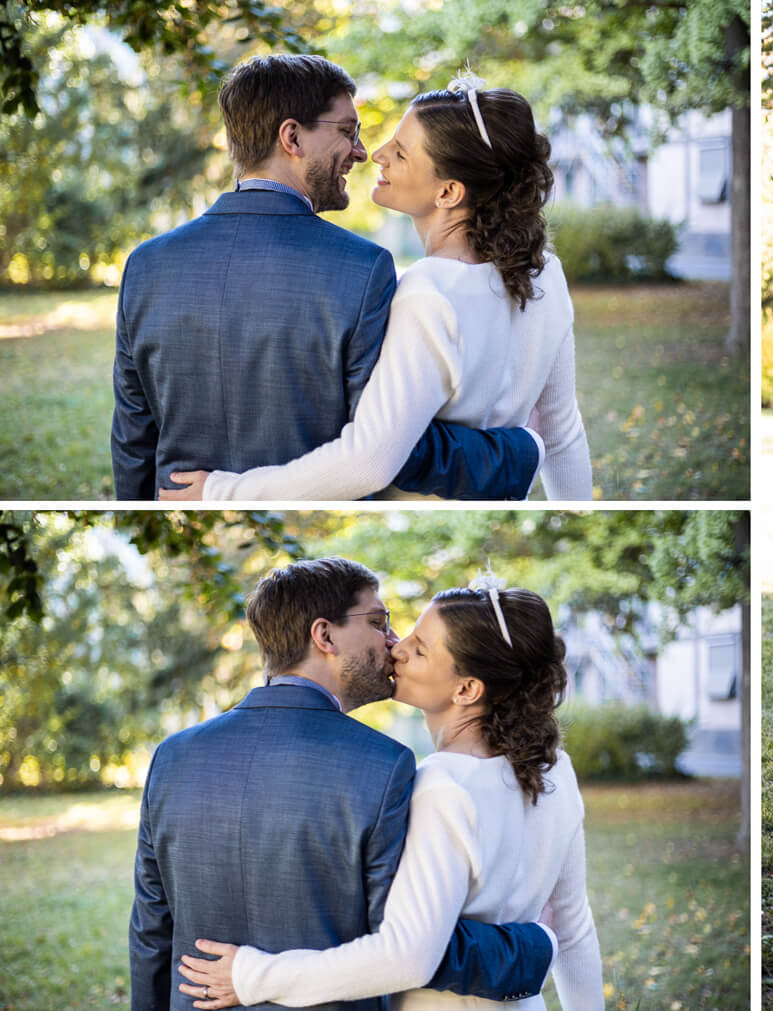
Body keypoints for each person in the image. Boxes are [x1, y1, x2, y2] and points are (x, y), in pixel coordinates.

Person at [129, 558, 554, 1011]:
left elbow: (151, 935)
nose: (393, 641)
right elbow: (411, 945)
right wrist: (535, 946)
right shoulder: (384, 766)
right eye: (377, 622)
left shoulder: (171, 757)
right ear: (325, 635)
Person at [112, 54, 541, 503]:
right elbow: (395, 448)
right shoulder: (363, 268)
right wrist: (520, 451)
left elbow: (132, 440)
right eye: (346, 131)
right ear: (292, 137)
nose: (360, 152)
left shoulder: (145, 264)